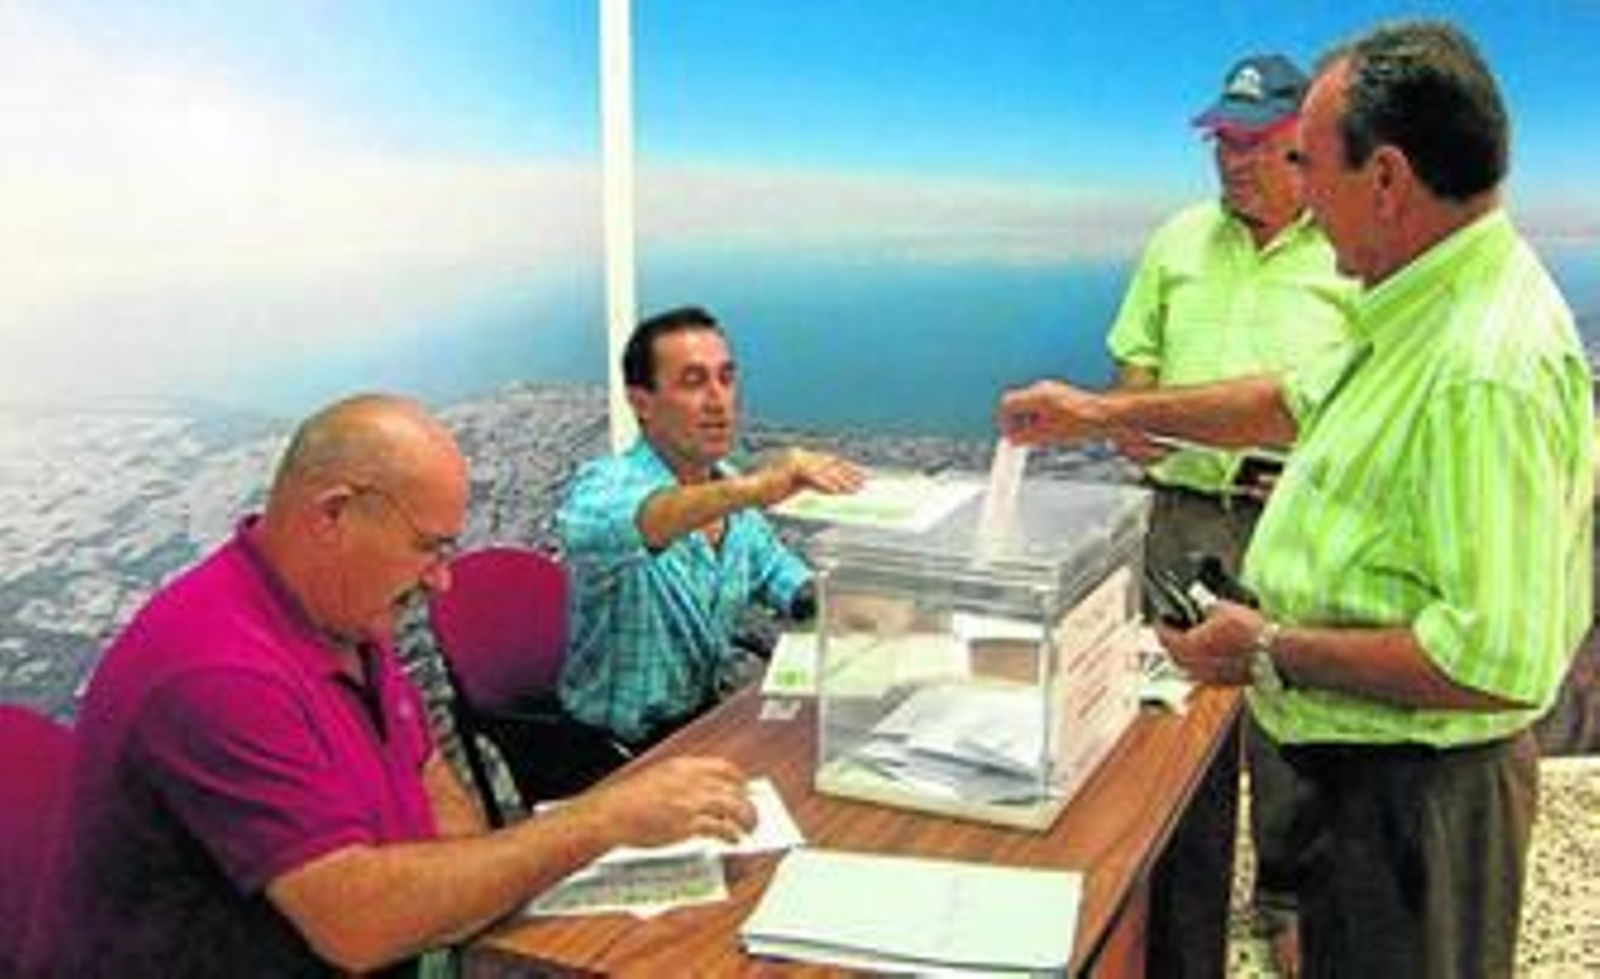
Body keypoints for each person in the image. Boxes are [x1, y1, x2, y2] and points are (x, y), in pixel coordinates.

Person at [999, 20, 1591, 978]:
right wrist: (1099, 410)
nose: (1302, 190)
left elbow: (1494, 658)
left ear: (1388, 178)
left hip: (1421, 802)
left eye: (1310, 163)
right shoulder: (1413, 303)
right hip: (1372, 779)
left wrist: (1268, 644)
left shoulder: (1486, 366)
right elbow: (1289, 400)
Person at [25, 394, 755, 978]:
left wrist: (478, 885)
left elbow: (434, 795)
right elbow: (356, 927)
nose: (441, 577)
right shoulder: (216, 672)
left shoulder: (340, 614)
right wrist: (599, 821)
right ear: (333, 513)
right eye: (428, 546)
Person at [1105, 51, 1358, 972]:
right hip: (1185, 518)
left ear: (1303, 145)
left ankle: (1292, 902)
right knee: (1179, 723)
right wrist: (1130, 416)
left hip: (1301, 523)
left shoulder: (1350, 249)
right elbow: (1133, 368)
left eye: (1253, 142)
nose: (1232, 161)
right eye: (1221, 140)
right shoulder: (1176, 242)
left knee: (1300, 714)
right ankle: (1181, 920)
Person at [554, 306, 862, 785]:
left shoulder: (729, 489)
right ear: (642, 402)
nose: (719, 401)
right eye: (694, 382)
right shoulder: (603, 489)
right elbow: (642, 521)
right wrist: (762, 486)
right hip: (615, 760)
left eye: (726, 378)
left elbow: (778, 574)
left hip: (703, 726)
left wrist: (850, 604)